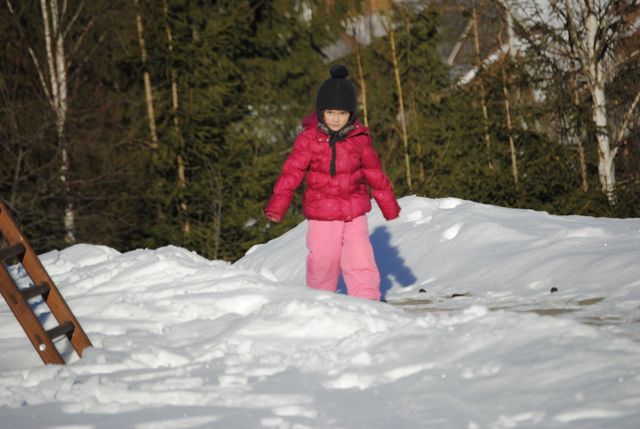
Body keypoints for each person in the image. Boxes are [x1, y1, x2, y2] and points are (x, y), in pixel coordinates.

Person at [264, 64, 401, 301]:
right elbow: (292, 172)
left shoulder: (359, 139)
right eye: (330, 113)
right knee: (324, 260)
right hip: (322, 212)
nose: (336, 119)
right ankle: (321, 299)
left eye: (342, 113)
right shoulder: (309, 139)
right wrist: (277, 205)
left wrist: (389, 205)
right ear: (321, 112)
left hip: (355, 211)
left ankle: (367, 299)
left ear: (351, 114)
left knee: (360, 257)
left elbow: (374, 172)